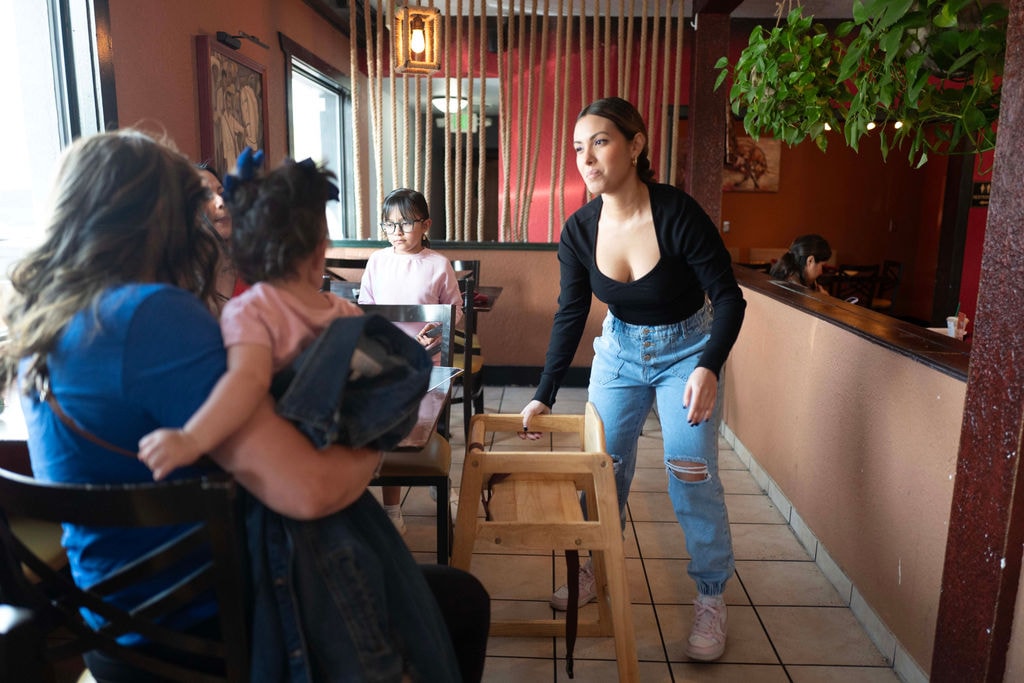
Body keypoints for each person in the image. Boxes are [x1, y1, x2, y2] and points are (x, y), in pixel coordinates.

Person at [0, 130, 489, 682]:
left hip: (116, 626)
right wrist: (373, 441)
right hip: (206, 629)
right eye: (197, 204)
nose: (211, 218)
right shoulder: (150, 315)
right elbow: (307, 490)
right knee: (458, 603)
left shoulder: (47, 325)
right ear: (159, 218)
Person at [519, 97, 746, 662]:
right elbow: (571, 313)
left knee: (690, 471)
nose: (586, 158)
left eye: (600, 142)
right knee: (602, 470)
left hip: (687, 350)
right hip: (619, 355)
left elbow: (729, 298)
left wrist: (708, 365)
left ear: (636, 144)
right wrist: (543, 394)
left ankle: (711, 597)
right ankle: (594, 566)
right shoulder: (579, 229)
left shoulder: (677, 213)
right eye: (578, 147)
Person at [136, 154, 363, 480]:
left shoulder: (250, 311)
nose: (219, 202)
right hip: (336, 460)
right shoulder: (347, 312)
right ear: (319, 254)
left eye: (221, 191)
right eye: (203, 196)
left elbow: (248, 379)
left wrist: (191, 439)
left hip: (278, 465)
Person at [358, 188, 464, 534]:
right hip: (386, 363)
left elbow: (454, 310)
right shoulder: (377, 262)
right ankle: (392, 508)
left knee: (426, 423)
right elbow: (367, 309)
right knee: (389, 429)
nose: (397, 232)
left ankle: (440, 480)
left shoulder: (437, 265)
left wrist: (437, 330)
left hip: (428, 363)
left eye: (405, 224)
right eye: (389, 225)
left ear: (426, 225)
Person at [195, 162, 244, 312]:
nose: (221, 202)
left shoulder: (254, 270)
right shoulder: (182, 282)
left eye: (221, 192)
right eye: (207, 196)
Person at [768, 234, 832, 293]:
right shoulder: (795, 291)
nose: (821, 272)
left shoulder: (788, 275)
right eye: (822, 266)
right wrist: (822, 299)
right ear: (810, 261)